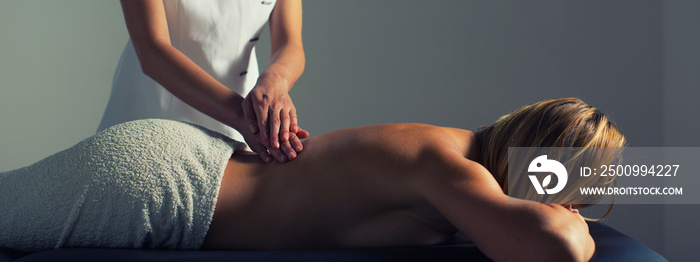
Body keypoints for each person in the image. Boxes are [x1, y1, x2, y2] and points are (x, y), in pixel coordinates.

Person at [0, 98, 625, 262]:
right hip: (165, 190)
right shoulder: (448, 167)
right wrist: (572, 224)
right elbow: (556, 249)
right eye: (577, 189)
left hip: (184, 164)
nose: (578, 205)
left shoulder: (453, 152)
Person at [97, 0, 306, 164]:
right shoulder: (244, 117)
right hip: (155, 108)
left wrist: (274, 81)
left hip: (244, 112)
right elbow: (151, 51)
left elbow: (290, 44)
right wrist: (243, 117)